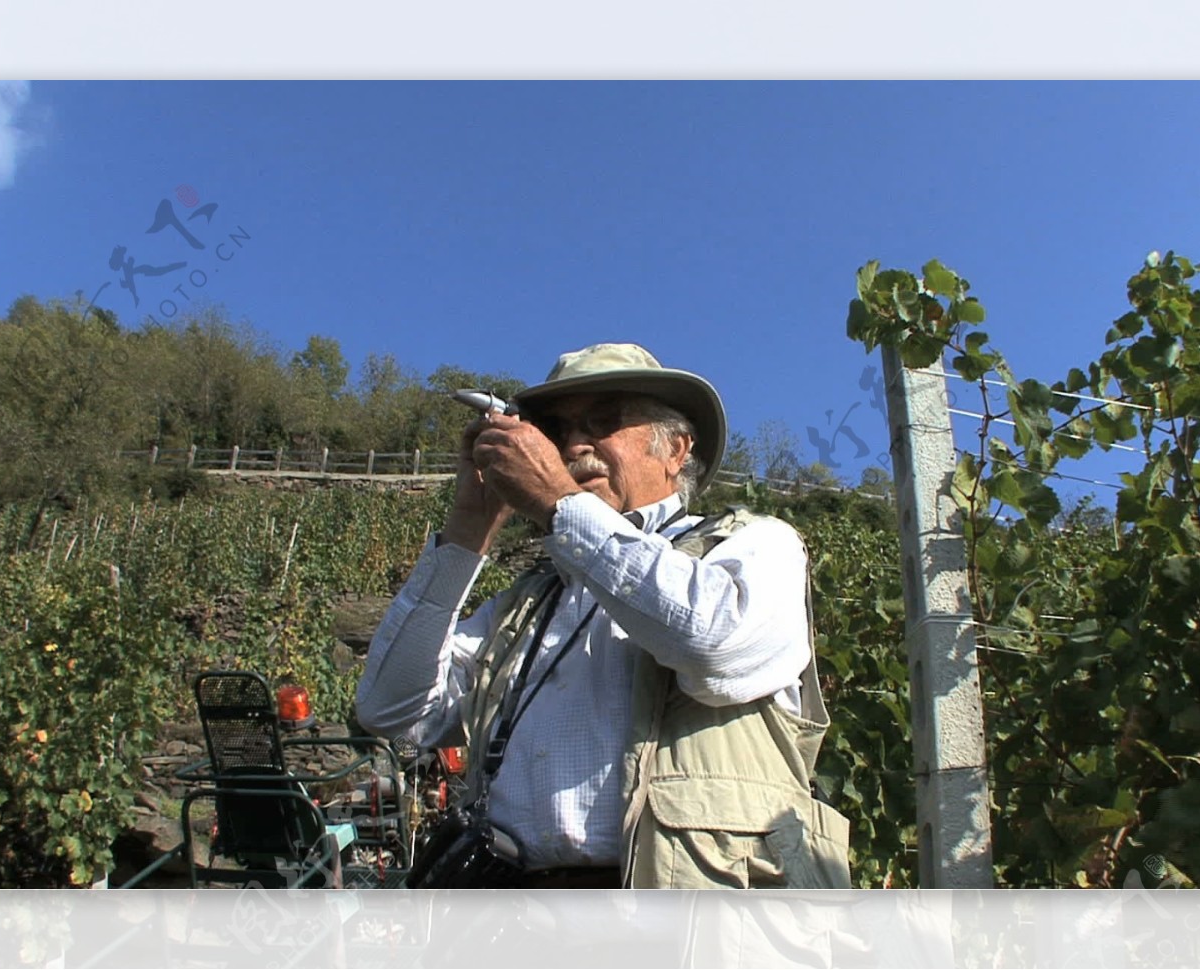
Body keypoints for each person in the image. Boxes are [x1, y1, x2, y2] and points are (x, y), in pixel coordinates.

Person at [355, 343, 849, 888]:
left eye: (603, 422)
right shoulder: (531, 601)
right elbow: (391, 709)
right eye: (558, 431)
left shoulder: (754, 547)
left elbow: (714, 650)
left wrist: (561, 506)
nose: (574, 445)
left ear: (676, 450)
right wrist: (467, 533)